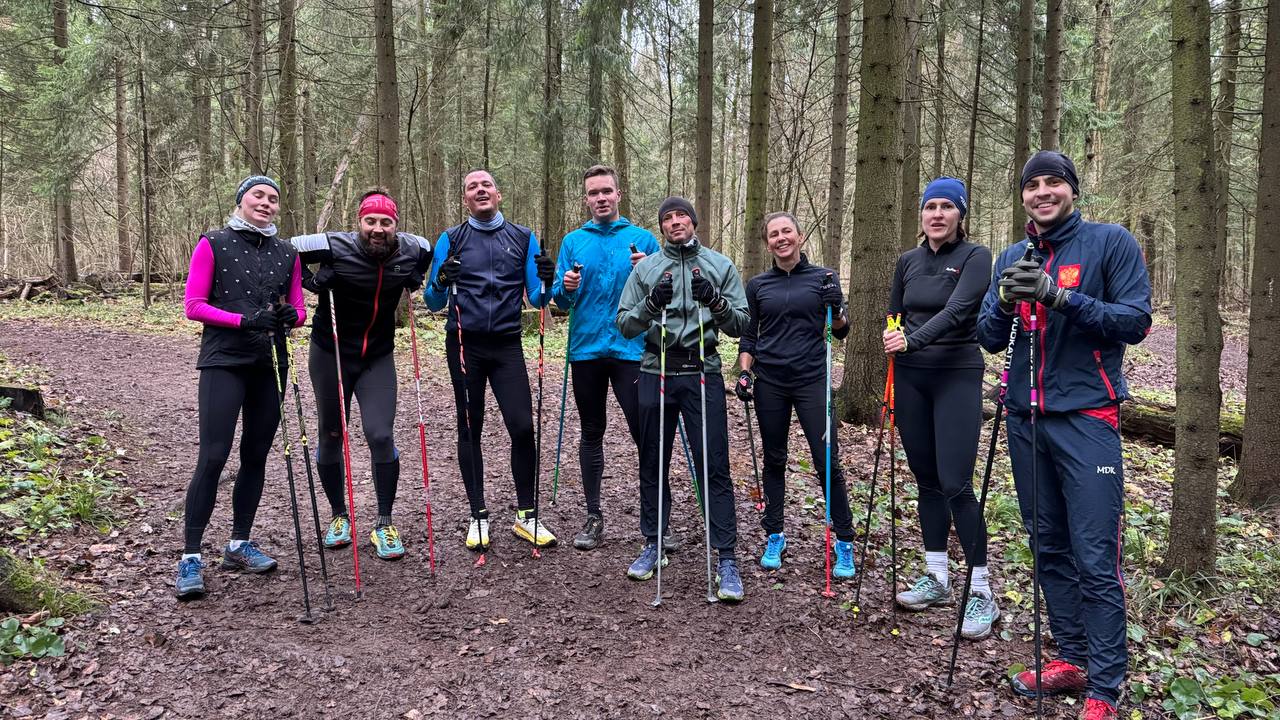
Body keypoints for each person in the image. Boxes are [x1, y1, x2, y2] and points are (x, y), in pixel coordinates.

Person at [976, 151, 1151, 720]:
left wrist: (1059, 297)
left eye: (1054, 182)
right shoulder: (1012, 256)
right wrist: (1007, 299)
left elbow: (1135, 321)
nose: (1043, 192)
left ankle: (1105, 686)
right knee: (1047, 544)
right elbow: (988, 336)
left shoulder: (1110, 243)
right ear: (1023, 196)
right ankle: (1072, 659)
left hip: (1088, 416)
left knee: (1095, 553)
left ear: (1072, 190)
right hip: (1025, 419)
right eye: (1033, 185)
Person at [175, 175, 306, 599]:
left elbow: (299, 308)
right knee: (213, 455)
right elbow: (193, 305)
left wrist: (290, 318)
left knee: (256, 454)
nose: (266, 203)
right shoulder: (213, 243)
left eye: (273, 198)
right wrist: (244, 320)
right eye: (257, 195)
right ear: (241, 201)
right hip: (224, 360)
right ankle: (190, 556)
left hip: (271, 362)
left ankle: (238, 544)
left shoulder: (288, 252)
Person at [616, 196, 749, 602]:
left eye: (682, 216)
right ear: (661, 227)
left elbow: (741, 323)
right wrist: (651, 303)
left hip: (702, 371)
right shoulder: (647, 269)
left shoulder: (719, 265)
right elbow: (625, 324)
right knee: (652, 460)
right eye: (668, 218)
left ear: (694, 221)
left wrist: (716, 301)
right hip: (655, 369)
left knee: (714, 463)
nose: (675, 222)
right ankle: (653, 542)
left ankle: (726, 558)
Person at [882, 177, 998, 640]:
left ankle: (981, 590)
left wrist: (911, 340)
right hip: (911, 378)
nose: (937, 214)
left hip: (956, 374)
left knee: (956, 483)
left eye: (947, 206)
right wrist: (893, 333)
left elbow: (957, 311)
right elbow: (895, 312)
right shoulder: (907, 261)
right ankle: (937, 577)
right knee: (926, 480)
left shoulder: (976, 257)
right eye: (930, 206)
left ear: (960, 215)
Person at [290, 189, 433, 561]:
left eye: (386, 222)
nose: (378, 228)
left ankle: (384, 522)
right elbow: (286, 250)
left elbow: (427, 252)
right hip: (331, 353)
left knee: (380, 434)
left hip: (377, 357)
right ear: (360, 221)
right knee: (332, 433)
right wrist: (310, 282)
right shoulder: (334, 245)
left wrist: (416, 276)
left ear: (395, 224)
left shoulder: (412, 247)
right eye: (370, 221)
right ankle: (339, 516)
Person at [424, 169, 557, 551]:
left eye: (486, 185)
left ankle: (526, 515)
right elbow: (432, 301)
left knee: (522, 426)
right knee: (470, 427)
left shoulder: (523, 237)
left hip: (506, 345)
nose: (480, 190)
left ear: (499, 195)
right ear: (465, 198)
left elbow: (538, 298)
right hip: (464, 345)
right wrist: (441, 279)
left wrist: (547, 279)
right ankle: (478, 515)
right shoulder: (451, 239)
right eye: (472, 187)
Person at [736, 212, 855, 578]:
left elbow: (841, 330)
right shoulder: (758, 285)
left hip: (812, 380)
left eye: (786, 231)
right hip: (770, 381)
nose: (781, 238)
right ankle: (774, 534)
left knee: (826, 460)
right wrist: (745, 372)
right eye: (773, 234)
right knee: (774, 460)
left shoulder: (824, 278)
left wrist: (837, 309)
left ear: (800, 236)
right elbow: (749, 335)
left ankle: (844, 540)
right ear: (767, 243)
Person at [551, 165, 661, 550]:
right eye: (593, 193)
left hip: (632, 349)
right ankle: (594, 516)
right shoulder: (573, 241)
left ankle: (657, 518)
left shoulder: (643, 239)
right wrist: (566, 287)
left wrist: (648, 272)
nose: (600, 198)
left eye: (606, 191)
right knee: (591, 430)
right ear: (586, 199)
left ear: (618, 194)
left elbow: (664, 295)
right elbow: (560, 300)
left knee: (644, 432)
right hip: (587, 350)